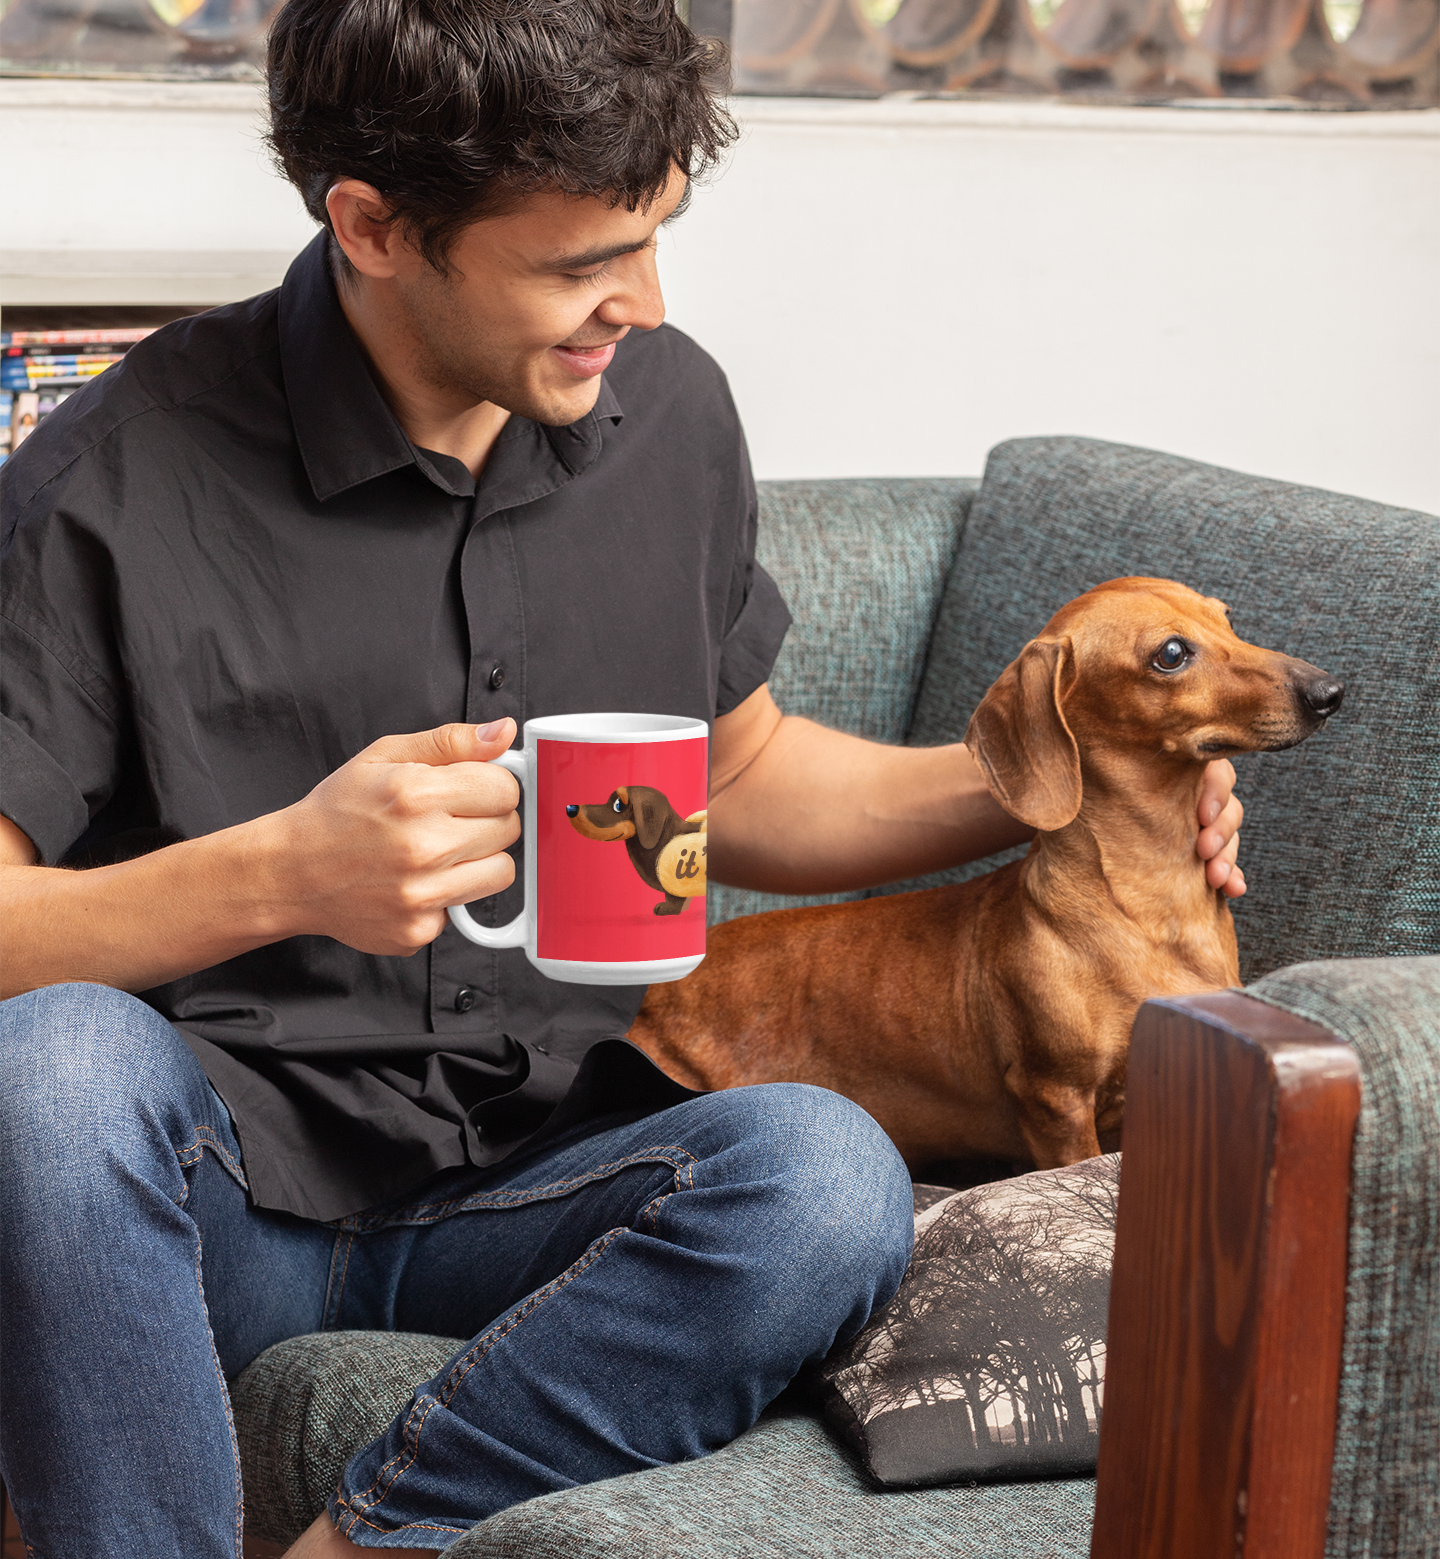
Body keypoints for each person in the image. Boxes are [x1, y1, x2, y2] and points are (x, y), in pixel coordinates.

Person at [0, 1, 1244, 1553]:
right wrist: (283, 873)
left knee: (822, 1174)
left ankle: (365, 1540)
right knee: (44, 1071)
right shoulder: (117, 472)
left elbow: (752, 775)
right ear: (375, 227)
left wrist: (1065, 774)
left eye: (653, 240)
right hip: (220, 1197)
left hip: (550, 1174)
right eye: (583, 266)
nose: (641, 306)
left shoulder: (669, 417)